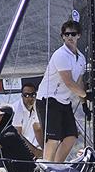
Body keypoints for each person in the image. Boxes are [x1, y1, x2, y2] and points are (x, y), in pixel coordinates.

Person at [36, 19, 87, 162]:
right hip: (48, 99)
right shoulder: (61, 55)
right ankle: (46, 169)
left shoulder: (81, 58)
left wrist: (83, 103)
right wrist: (86, 95)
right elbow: (69, 82)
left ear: (79, 36)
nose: (70, 37)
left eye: (73, 34)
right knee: (53, 138)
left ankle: (57, 168)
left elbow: (79, 82)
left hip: (64, 101)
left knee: (71, 136)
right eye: (66, 34)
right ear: (63, 37)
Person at [13, 82, 43, 153]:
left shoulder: (36, 107)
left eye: (33, 95)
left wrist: (44, 150)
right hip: (10, 144)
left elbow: (37, 129)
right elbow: (17, 136)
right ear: (21, 96)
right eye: (26, 95)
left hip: (22, 143)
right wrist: (35, 151)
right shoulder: (16, 109)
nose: (30, 98)